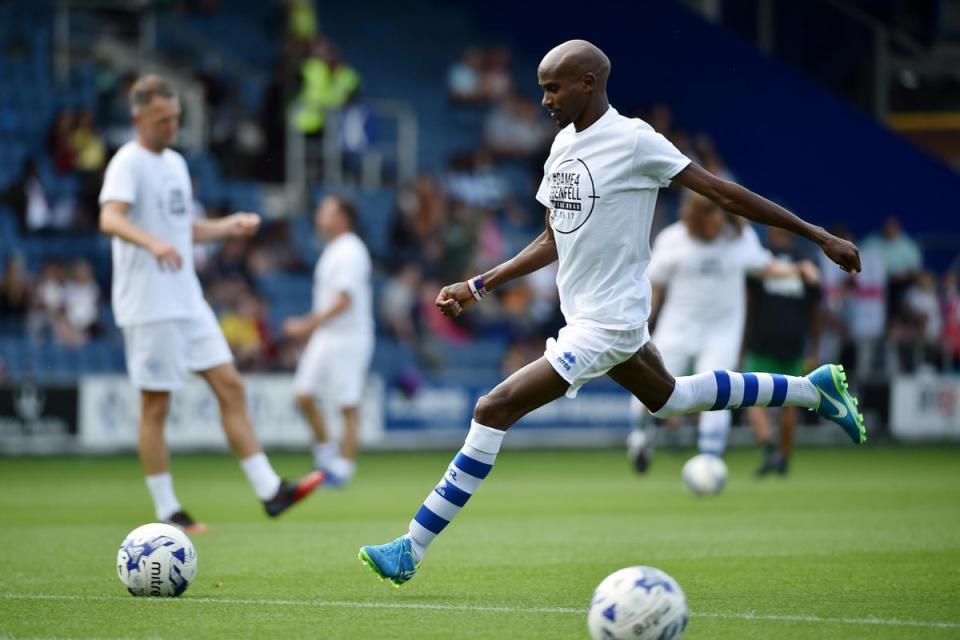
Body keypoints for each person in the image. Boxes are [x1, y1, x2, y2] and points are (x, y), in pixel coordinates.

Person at [358, 40, 865, 586]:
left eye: (553, 87)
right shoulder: (560, 149)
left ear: (587, 84)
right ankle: (813, 391)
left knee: (493, 407)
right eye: (541, 88)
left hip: (611, 321)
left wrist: (817, 236)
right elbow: (552, 239)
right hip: (585, 317)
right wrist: (478, 284)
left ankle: (412, 544)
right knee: (670, 398)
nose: (545, 99)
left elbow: (724, 195)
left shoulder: (634, 141)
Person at [98, 74, 323, 533]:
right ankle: (168, 511)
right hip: (149, 304)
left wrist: (227, 227)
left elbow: (184, 229)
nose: (171, 126)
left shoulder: (177, 164)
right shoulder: (128, 162)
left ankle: (270, 491)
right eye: (162, 119)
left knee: (231, 386)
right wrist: (153, 244)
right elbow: (111, 217)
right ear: (139, 117)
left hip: (187, 300)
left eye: (176, 118)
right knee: (156, 405)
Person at [625, 194, 820, 472]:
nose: (714, 227)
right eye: (708, 221)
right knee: (649, 387)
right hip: (676, 329)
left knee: (718, 391)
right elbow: (655, 287)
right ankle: (641, 438)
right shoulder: (673, 239)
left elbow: (765, 267)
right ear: (695, 218)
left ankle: (710, 459)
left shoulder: (740, 239)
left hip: (721, 332)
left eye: (719, 219)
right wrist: (642, 326)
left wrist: (797, 270)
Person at [283, 195, 373, 487]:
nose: (319, 215)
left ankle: (342, 470)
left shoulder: (351, 250)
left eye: (326, 210)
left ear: (343, 217)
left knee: (347, 404)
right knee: (303, 394)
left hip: (349, 334)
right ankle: (326, 460)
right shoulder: (334, 249)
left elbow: (345, 300)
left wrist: (306, 324)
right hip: (328, 333)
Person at [743, 227, 822, 476]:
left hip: (763, 337)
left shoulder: (762, 259)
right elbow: (815, 311)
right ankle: (784, 456)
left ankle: (769, 450)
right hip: (794, 340)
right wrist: (814, 347)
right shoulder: (806, 263)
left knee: (751, 397)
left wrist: (742, 340)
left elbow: (749, 303)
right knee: (791, 402)